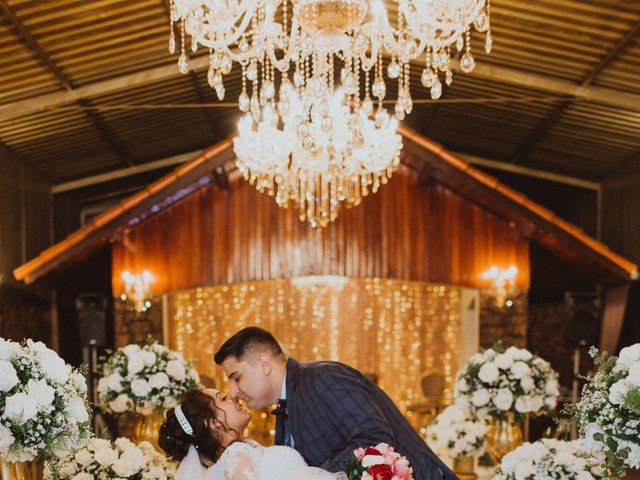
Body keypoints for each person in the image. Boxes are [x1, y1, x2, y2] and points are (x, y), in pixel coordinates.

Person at [214, 327, 457, 480]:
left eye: (236, 378)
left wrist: (312, 477)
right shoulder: (287, 404)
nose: (234, 391)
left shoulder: (322, 377)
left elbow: (375, 437)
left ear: (264, 364)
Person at [159, 388, 347, 480]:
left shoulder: (243, 450)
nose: (233, 398)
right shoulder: (235, 454)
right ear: (213, 422)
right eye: (223, 399)